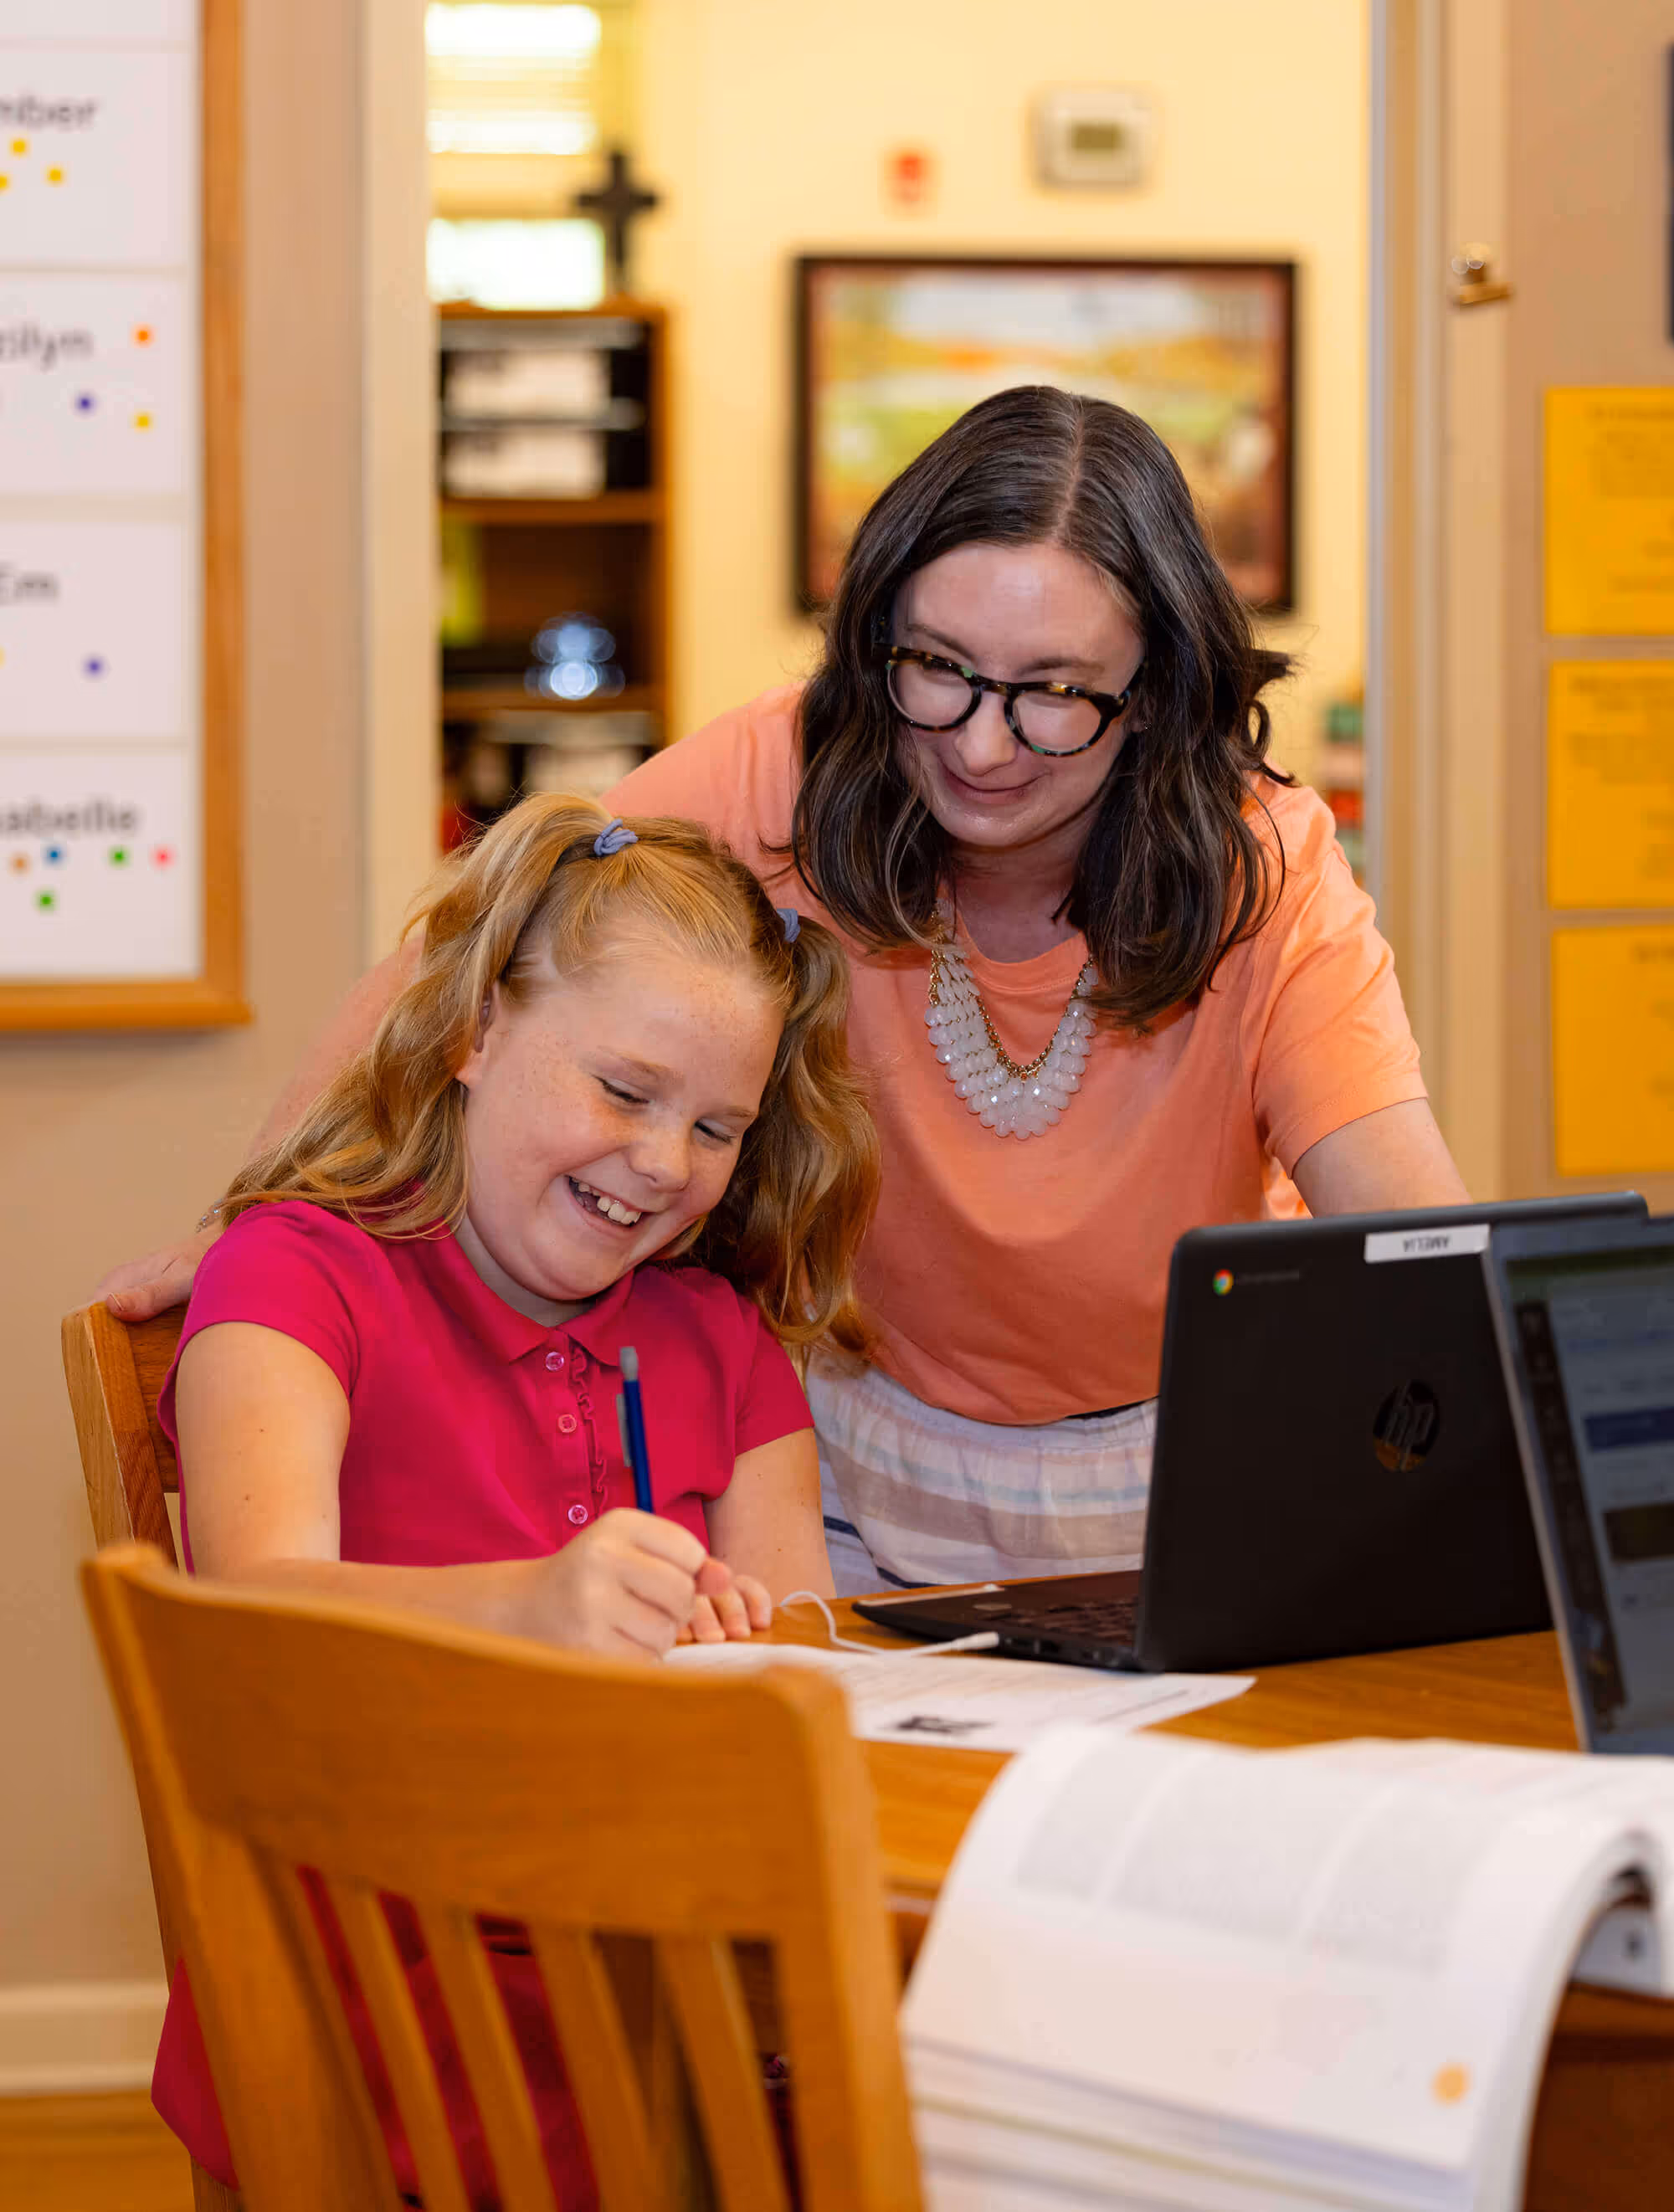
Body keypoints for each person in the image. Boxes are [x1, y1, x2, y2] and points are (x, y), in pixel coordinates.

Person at [100, 387, 1466, 1597]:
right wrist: (265, 1208)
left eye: (1054, 695)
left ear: (1157, 694)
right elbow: (464, 955)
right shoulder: (797, 769)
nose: (981, 746)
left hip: (1176, 1458)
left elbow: (1404, 1226)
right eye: (937, 667)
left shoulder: (1259, 863)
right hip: (861, 1464)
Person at [147, 795, 876, 2199]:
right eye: (624, 1090)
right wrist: (532, 1609)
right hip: (378, 1980)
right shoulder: (296, 1277)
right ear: (478, 1030)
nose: (667, 1163)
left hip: (667, 1963)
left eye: (719, 1125)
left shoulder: (721, 1338)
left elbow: (808, 1664)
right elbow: (250, 1620)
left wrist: (744, 1646)